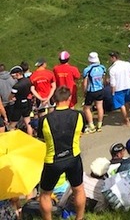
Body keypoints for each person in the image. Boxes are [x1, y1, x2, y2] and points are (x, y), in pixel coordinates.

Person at [37, 86, 86, 220]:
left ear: (54, 99)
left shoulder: (45, 119)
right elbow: (81, 132)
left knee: (45, 194)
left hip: (53, 160)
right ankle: (80, 218)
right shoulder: (79, 115)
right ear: (69, 98)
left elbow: (42, 139)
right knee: (78, 189)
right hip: (73, 157)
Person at [108, 51, 130, 127]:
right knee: (127, 102)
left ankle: (126, 120)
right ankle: (126, 117)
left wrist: (112, 92)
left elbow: (112, 83)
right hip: (127, 86)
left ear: (114, 58)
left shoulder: (112, 69)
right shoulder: (127, 64)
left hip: (118, 88)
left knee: (121, 105)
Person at [82, 52, 106, 133]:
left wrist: (84, 91)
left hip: (91, 91)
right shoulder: (102, 67)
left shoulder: (87, 69)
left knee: (86, 108)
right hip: (100, 89)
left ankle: (91, 125)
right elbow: (104, 78)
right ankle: (99, 124)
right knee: (100, 106)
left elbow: (85, 82)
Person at [8, 65, 33, 135]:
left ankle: (11, 141)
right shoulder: (28, 80)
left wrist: (11, 98)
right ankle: (31, 138)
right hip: (27, 103)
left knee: (12, 125)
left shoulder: (16, 86)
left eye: (13, 76)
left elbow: (10, 97)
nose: (12, 78)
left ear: (17, 74)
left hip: (18, 105)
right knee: (28, 123)